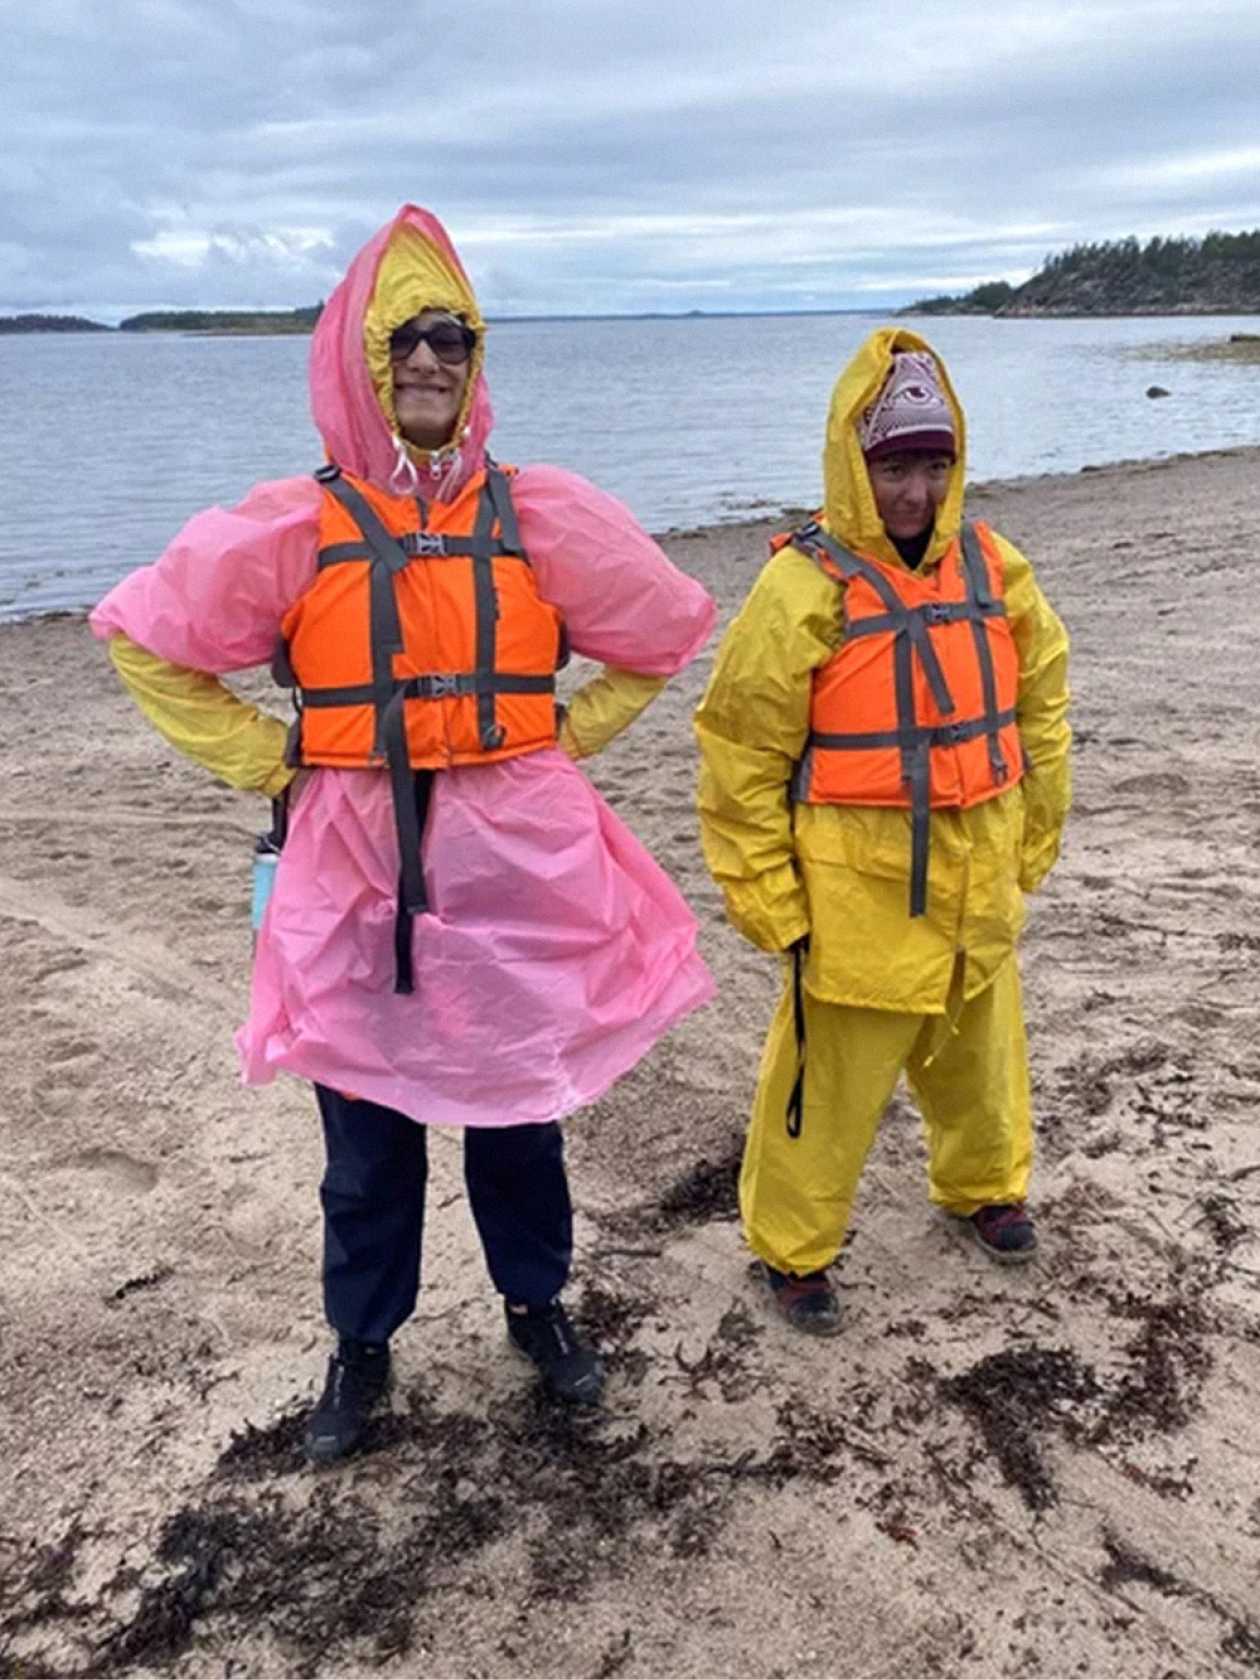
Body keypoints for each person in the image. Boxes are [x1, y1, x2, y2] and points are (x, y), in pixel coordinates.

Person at [91, 204, 717, 1457]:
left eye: (451, 339)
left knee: (517, 1114)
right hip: (355, 865)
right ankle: (361, 1346)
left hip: (514, 871)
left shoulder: (538, 512)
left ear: (476, 363)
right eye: (400, 343)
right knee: (366, 1140)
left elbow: (666, 629)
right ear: (357, 364)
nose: (427, 361)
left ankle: (537, 1309)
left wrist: (566, 739)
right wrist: (272, 759)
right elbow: (146, 641)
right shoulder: (294, 525)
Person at [694, 329, 1070, 1335]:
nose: (916, 489)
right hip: (852, 907)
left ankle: (985, 1187)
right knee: (824, 1088)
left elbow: (1043, 708)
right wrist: (770, 902)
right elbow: (739, 757)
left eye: (933, 464)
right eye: (896, 465)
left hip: (976, 880)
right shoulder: (801, 589)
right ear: (857, 468)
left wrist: (1035, 835)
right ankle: (794, 1251)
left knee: (982, 1058)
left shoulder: (996, 569)